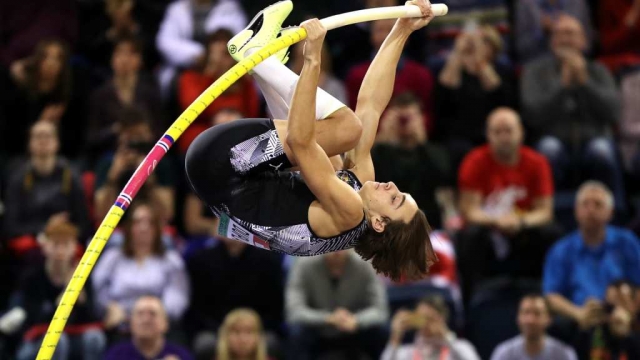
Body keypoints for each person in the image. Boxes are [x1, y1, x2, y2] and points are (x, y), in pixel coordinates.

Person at [185, 0, 437, 281]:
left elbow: (300, 140)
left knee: (346, 129)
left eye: (394, 199)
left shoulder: (350, 214)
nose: (392, 186)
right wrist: (401, 30)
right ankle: (261, 64)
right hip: (228, 175)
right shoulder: (358, 197)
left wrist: (312, 59)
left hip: (220, 167)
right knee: (338, 148)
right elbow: (371, 104)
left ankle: (253, 52)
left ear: (379, 223)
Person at [456, 107, 558, 306]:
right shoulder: (474, 161)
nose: (504, 137)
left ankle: (547, 298)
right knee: (470, 236)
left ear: (521, 132)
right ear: (488, 135)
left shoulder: (537, 163)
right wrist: (497, 221)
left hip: (523, 227)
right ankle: (470, 302)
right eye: (497, 132)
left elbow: (545, 211)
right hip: (490, 228)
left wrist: (520, 221)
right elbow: (469, 210)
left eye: (508, 131)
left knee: (551, 233)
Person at [521, 14, 623, 202]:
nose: (565, 39)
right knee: (549, 150)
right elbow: (532, 115)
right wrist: (562, 85)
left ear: (584, 41)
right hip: (551, 137)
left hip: (594, 137)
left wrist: (585, 83)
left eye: (571, 34)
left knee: (602, 151)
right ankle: (550, 215)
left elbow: (613, 113)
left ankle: (614, 212)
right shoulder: (534, 71)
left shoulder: (599, 70)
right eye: (559, 34)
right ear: (551, 41)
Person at [543, 181, 640, 334]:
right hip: (579, 321)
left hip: (624, 317)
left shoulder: (627, 242)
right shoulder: (561, 250)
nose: (591, 210)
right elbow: (551, 295)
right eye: (585, 204)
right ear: (576, 211)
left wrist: (628, 312)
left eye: (598, 204)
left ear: (611, 213)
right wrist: (577, 313)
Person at [92, 201, 189, 333]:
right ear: (129, 227)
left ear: (157, 229)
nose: (143, 228)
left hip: (158, 326)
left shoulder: (171, 260)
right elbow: (98, 289)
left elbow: (178, 295)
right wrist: (109, 307)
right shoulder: (112, 258)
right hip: (119, 324)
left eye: (149, 222)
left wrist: (155, 315)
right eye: (138, 222)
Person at [14, 220, 106, 360]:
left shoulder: (83, 275)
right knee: (58, 341)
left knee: (94, 338)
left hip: (74, 335)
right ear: (45, 246)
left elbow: (92, 317)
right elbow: (33, 318)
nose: (61, 250)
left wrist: (81, 302)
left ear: (75, 247)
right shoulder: (32, 277)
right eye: (56, 244)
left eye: (66, 244)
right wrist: (64, 298)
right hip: (37, 340)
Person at [3, 121, 91, 249]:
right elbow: (9, 226)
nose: (43, 141)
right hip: (31, 245)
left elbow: (84, 224)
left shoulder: (71, 176)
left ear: (57, 143)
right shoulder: (18, 179)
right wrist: (45, 227)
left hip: (64, 243)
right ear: (29, 144)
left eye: (48, 136)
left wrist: (60, 231)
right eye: (38, 136)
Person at [286, 250, 389, 360]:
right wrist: (328, 318)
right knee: (296, 331)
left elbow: (380, 310)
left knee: (381, 329)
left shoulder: (364, 265)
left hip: (354, 331)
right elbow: (294, 312)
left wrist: (357, 320)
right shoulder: (304, 264)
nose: (337, 248)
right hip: (318, 332)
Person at [177, 28, 260, 153]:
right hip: (202, 136)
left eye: (226, 54)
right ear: (208, 54)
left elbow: (253, 113)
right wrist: (210, 73)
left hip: (238, 137)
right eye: (217, 54)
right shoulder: (191, 78)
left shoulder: (243, 80)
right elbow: (192, 111)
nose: (222, 61)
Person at [382, 295, 480, 360]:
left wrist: (446, 336)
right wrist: (395, 337)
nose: (426, 324)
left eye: (430, 318)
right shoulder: (406, 352)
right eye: (421, 318)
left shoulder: (459, 347)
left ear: (442, 319)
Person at [104, 295, 194, 360]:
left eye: (152, 314)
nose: (146, 320)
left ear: (165, 324)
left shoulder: (181, 355)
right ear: (131, 322)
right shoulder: (116, 355)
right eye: (140, 314)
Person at [490, 294, 577, 360]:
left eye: (537, 313)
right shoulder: (503, 353)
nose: (530, 320)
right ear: (518, 317)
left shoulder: (564, 355)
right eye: (526, 312)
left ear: (549, 319)